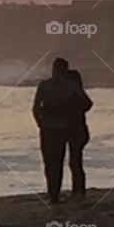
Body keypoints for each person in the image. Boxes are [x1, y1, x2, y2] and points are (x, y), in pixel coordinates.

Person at [32, 58, 84, 204]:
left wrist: (40, 122)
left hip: (48, 127)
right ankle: (55, 194)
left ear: (54, 69)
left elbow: (35, 108)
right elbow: (86, 103)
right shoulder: (71, 86)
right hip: (62, 127)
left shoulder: (44, 85)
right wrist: (72, 113)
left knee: (50, 162)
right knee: (58, 162)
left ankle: (53, 195)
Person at [65, 68, 93, 199]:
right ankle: (77, 189)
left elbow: (88, 104)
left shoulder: (76, 94)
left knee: (75, 162)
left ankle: (79, 190)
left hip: (77, 131)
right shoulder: (78, 94)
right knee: (75, 162)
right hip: (78, 131)